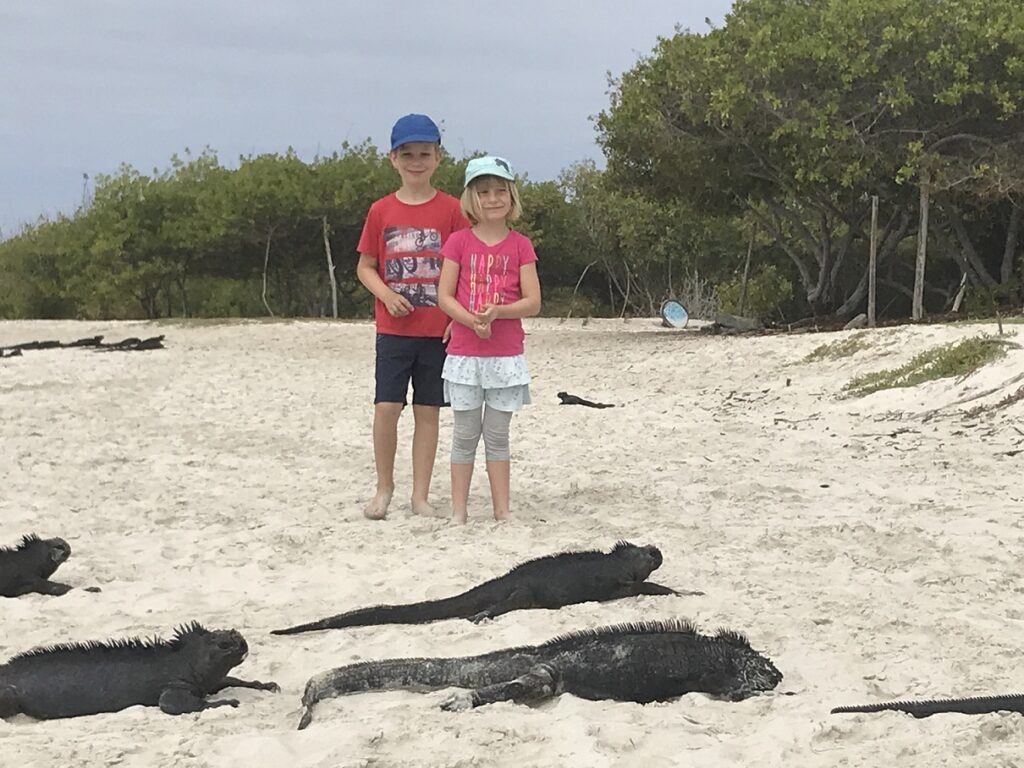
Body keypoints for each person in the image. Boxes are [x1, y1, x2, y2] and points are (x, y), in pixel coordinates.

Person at [356, 113, 470, 520]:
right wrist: (386, 295)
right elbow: (365, 267)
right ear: (393, 159)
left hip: (438, 332)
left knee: (428, 412)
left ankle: (420, 496)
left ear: (438, 157)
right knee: (387, 408)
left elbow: (465, 269)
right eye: (407, 154)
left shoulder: (453, 210)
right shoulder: (380, 210)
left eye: (424, 153)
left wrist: (456, 316)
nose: (416, 162)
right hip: (393, 331)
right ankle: (384, 487)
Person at [437, 156, 542, 524]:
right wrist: (471, 321)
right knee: (465, 434)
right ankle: (459, 511)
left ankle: (502, 510)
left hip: (505, 356)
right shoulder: (458, 242)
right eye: (484, 192)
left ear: (511, 196)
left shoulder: (521, 245)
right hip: (465, 355)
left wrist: (499, 313)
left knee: (497, 435)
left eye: (500, 191)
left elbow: (533, 301)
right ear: (471, 198)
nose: (493, 198)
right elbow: (445, 296)